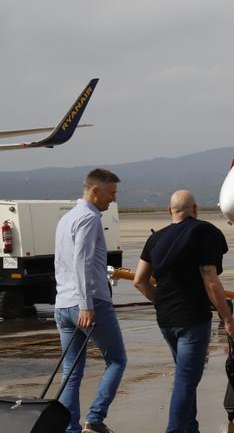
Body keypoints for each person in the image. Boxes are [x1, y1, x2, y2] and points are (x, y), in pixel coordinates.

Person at [133, 190, 234, 433]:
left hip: (166, 320)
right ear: (195, 209)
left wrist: (160, 302)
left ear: (169, 211)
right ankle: (175, 429)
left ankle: (190, 428)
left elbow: (139, 280)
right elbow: (211, 281)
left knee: (185, 377)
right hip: (192, 318)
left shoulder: (155, 239)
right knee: (186, 380)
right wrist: (228, 319)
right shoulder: (201, 233)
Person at [53, 169, 127, 433]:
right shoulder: (88, 218)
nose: (113, 200)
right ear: (95, 191)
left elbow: (61, 262)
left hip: (63, 304)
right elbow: (81, 262)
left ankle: (68, 428)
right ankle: (95, 419)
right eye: (111, 193)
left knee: (71, 372)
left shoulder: (67, 218)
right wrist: (85, 304)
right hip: (88, 301)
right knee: (117, 360)